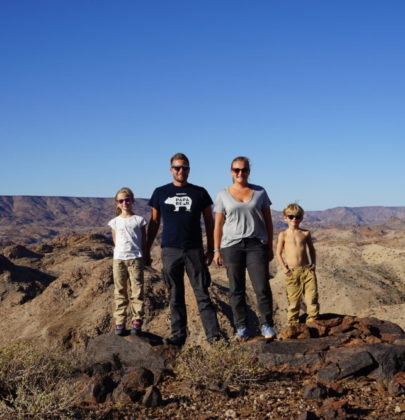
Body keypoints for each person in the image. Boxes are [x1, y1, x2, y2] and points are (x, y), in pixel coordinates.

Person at [145, 153, 221, 346]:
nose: (181, 171)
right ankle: (178, 336)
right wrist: (146, 248)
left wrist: (212, 249)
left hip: (194, 250)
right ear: (171, 170)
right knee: (175, 295)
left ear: (189, 169)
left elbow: (210, 222)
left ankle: (214, 337)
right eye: (177, 167)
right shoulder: (160, 192)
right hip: (170, 250)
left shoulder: (200, 192)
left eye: (184, 167)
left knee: (202, 294)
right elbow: (154, 222)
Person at [213, 156, 276, 340]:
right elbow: (218, 225)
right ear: (231, 171)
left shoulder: (260, 192)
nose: (240, 173)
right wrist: (216, 250)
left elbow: (268, 221)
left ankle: (266, 325)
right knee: (236, 289)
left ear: (249, 171)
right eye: (236, 170)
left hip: (256, 244)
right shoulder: (222, 194)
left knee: (261, 287)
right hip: (231, 246)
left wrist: (270, 245)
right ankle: (241, 327)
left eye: (244, 170)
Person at [108, 187, 146, 336]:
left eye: (127, 200)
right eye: (121, 201)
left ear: (132, 200)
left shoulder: (139, 220)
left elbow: (143, 239)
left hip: (135, 258)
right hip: (119, 259)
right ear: (117, 203)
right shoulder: (114, 222)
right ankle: (120, 322)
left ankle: (137, 319)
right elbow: (115, 240)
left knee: (136, 290)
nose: (125, 203)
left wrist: (145, 255)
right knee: (120, 291)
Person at [276, 203, 319, 325]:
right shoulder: (283, 235)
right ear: (285, 218)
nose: (294, 219)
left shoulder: (305, 233)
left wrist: (313, 264)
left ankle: (313, 322)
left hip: (307, 270)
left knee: (312, 299)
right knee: (294, 302)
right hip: (292, 272)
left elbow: (311, 249)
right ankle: (292, 324)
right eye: (291, 216)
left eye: (297, 216)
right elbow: (278, 254)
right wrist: (285, 269)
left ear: (301, 218)